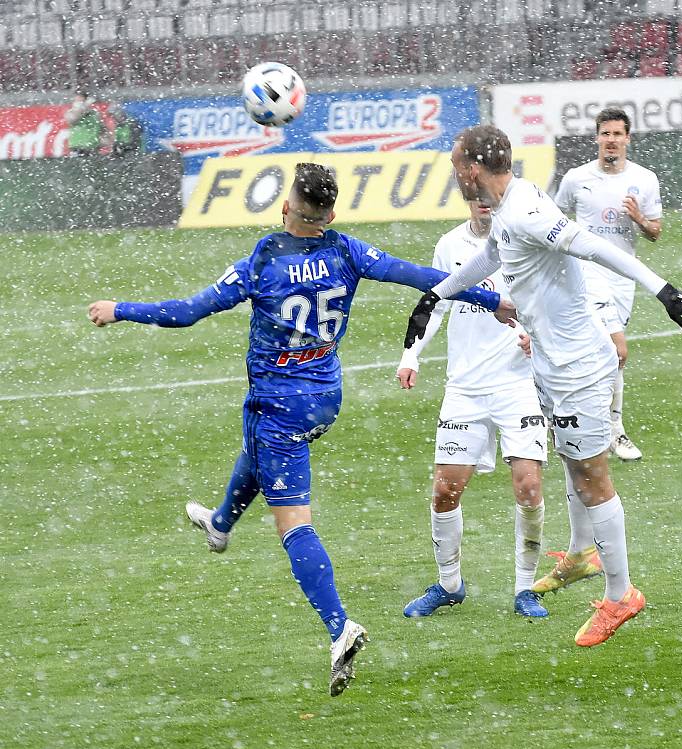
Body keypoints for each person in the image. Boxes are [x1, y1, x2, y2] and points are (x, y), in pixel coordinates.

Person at [88, 163, 511, 695]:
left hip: (278, 403)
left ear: (286, 206)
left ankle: (340, 628)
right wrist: (493, 299)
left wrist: (120, 309)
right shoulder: (347, 251)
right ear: (331, 214)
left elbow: (188, 312)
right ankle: (220, 524)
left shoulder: (264, 258)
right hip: (324, 399)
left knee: (293, 522)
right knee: (261, 453)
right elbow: (426, 279)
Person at [404, 126, 682, 647]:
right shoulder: (509, 209)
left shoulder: (525, 210)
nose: (453, 174)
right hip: (551, 365)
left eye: (455, 164)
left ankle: (620, 595)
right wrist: (437, 293)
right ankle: (582, 557)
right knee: (577, 468)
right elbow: (495, 258)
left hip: (577, 367)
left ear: (473, 169)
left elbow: (592, 247)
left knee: (593, 477)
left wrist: (666, 290)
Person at [397, 200, 549, 620]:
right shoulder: (449, 245)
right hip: (464, 388)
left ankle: (525, 589)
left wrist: (536, 337)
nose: (483, 199)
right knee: (445, 491)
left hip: (517, 383)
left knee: (528, 487)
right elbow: (436, 306)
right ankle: (449, 584)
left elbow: (549, 302)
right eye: (474, 190)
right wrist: (411, 355)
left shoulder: (524, 242)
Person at [555, 107, 663, 461]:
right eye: (606, 134)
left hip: (622, 278)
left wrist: (639, 218)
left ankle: (586, 424)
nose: (611, 141)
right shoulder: (576, 178)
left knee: (610, 357)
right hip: (586, 274)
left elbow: (655, 233)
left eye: (618, 134)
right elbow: (554, 222)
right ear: (596, 138)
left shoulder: (644, 179)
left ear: (627, 139)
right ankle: (610, 430)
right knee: (613, 349)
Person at [64, 91, 107, 157]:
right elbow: (73, 119)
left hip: (93, 148)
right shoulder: (71, 112)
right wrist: (84, 106)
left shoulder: (95, 114)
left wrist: (104, 142)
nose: (78, 104)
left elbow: (102, 130)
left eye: (80, 101)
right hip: (77, 148)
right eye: (77, 101)